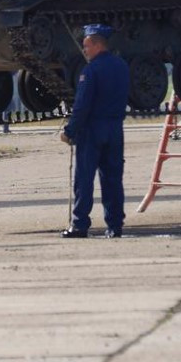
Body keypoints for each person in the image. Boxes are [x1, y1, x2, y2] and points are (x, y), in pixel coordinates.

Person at [57, 24, 129, 239]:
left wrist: (69, 131)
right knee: (113, 180)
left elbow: (82, 106)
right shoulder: (122, 66)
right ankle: (115, 226)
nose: (84, 50)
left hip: (93, 130)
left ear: (98, 45)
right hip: (115, 129)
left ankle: (79, 225)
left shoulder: (90, 71)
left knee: (84, 179)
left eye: (87, 46)